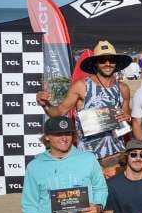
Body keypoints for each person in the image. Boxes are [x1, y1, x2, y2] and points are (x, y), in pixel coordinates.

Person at [36, 40, 132, 168]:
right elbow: (58, 112)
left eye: (111, 60)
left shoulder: (123, 88)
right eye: (102, 60)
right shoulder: (82, 86)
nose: (107, 64)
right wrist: (45, 104)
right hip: (87, 155)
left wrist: (127, 117)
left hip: (116, 153)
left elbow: (127, 117)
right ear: (96, 63)